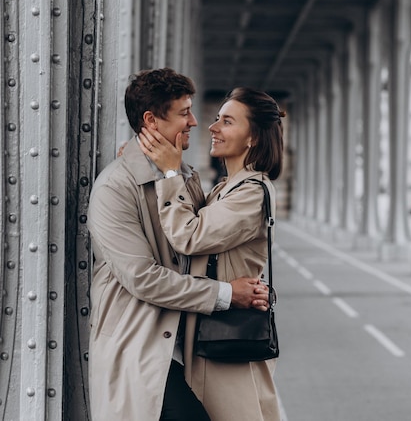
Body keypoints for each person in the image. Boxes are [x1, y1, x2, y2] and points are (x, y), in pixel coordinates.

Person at [87, 69, 270, 421]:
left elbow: (200, 243)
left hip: (187, 348)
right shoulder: (115, 188)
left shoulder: (186, 176)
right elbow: (144, 278)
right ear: (151, 121)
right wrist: (227, 294)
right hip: (140, 348)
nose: (194, 122)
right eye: (184, 112)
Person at [139, 86, 285, 421]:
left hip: (225, 340)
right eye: (217, 118)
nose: (212, 127)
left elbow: (188, 235)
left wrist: (170, 172)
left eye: (228, 121)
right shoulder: (226, 188)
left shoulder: (251, 193)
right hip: (209, 334)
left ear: (253, 138)